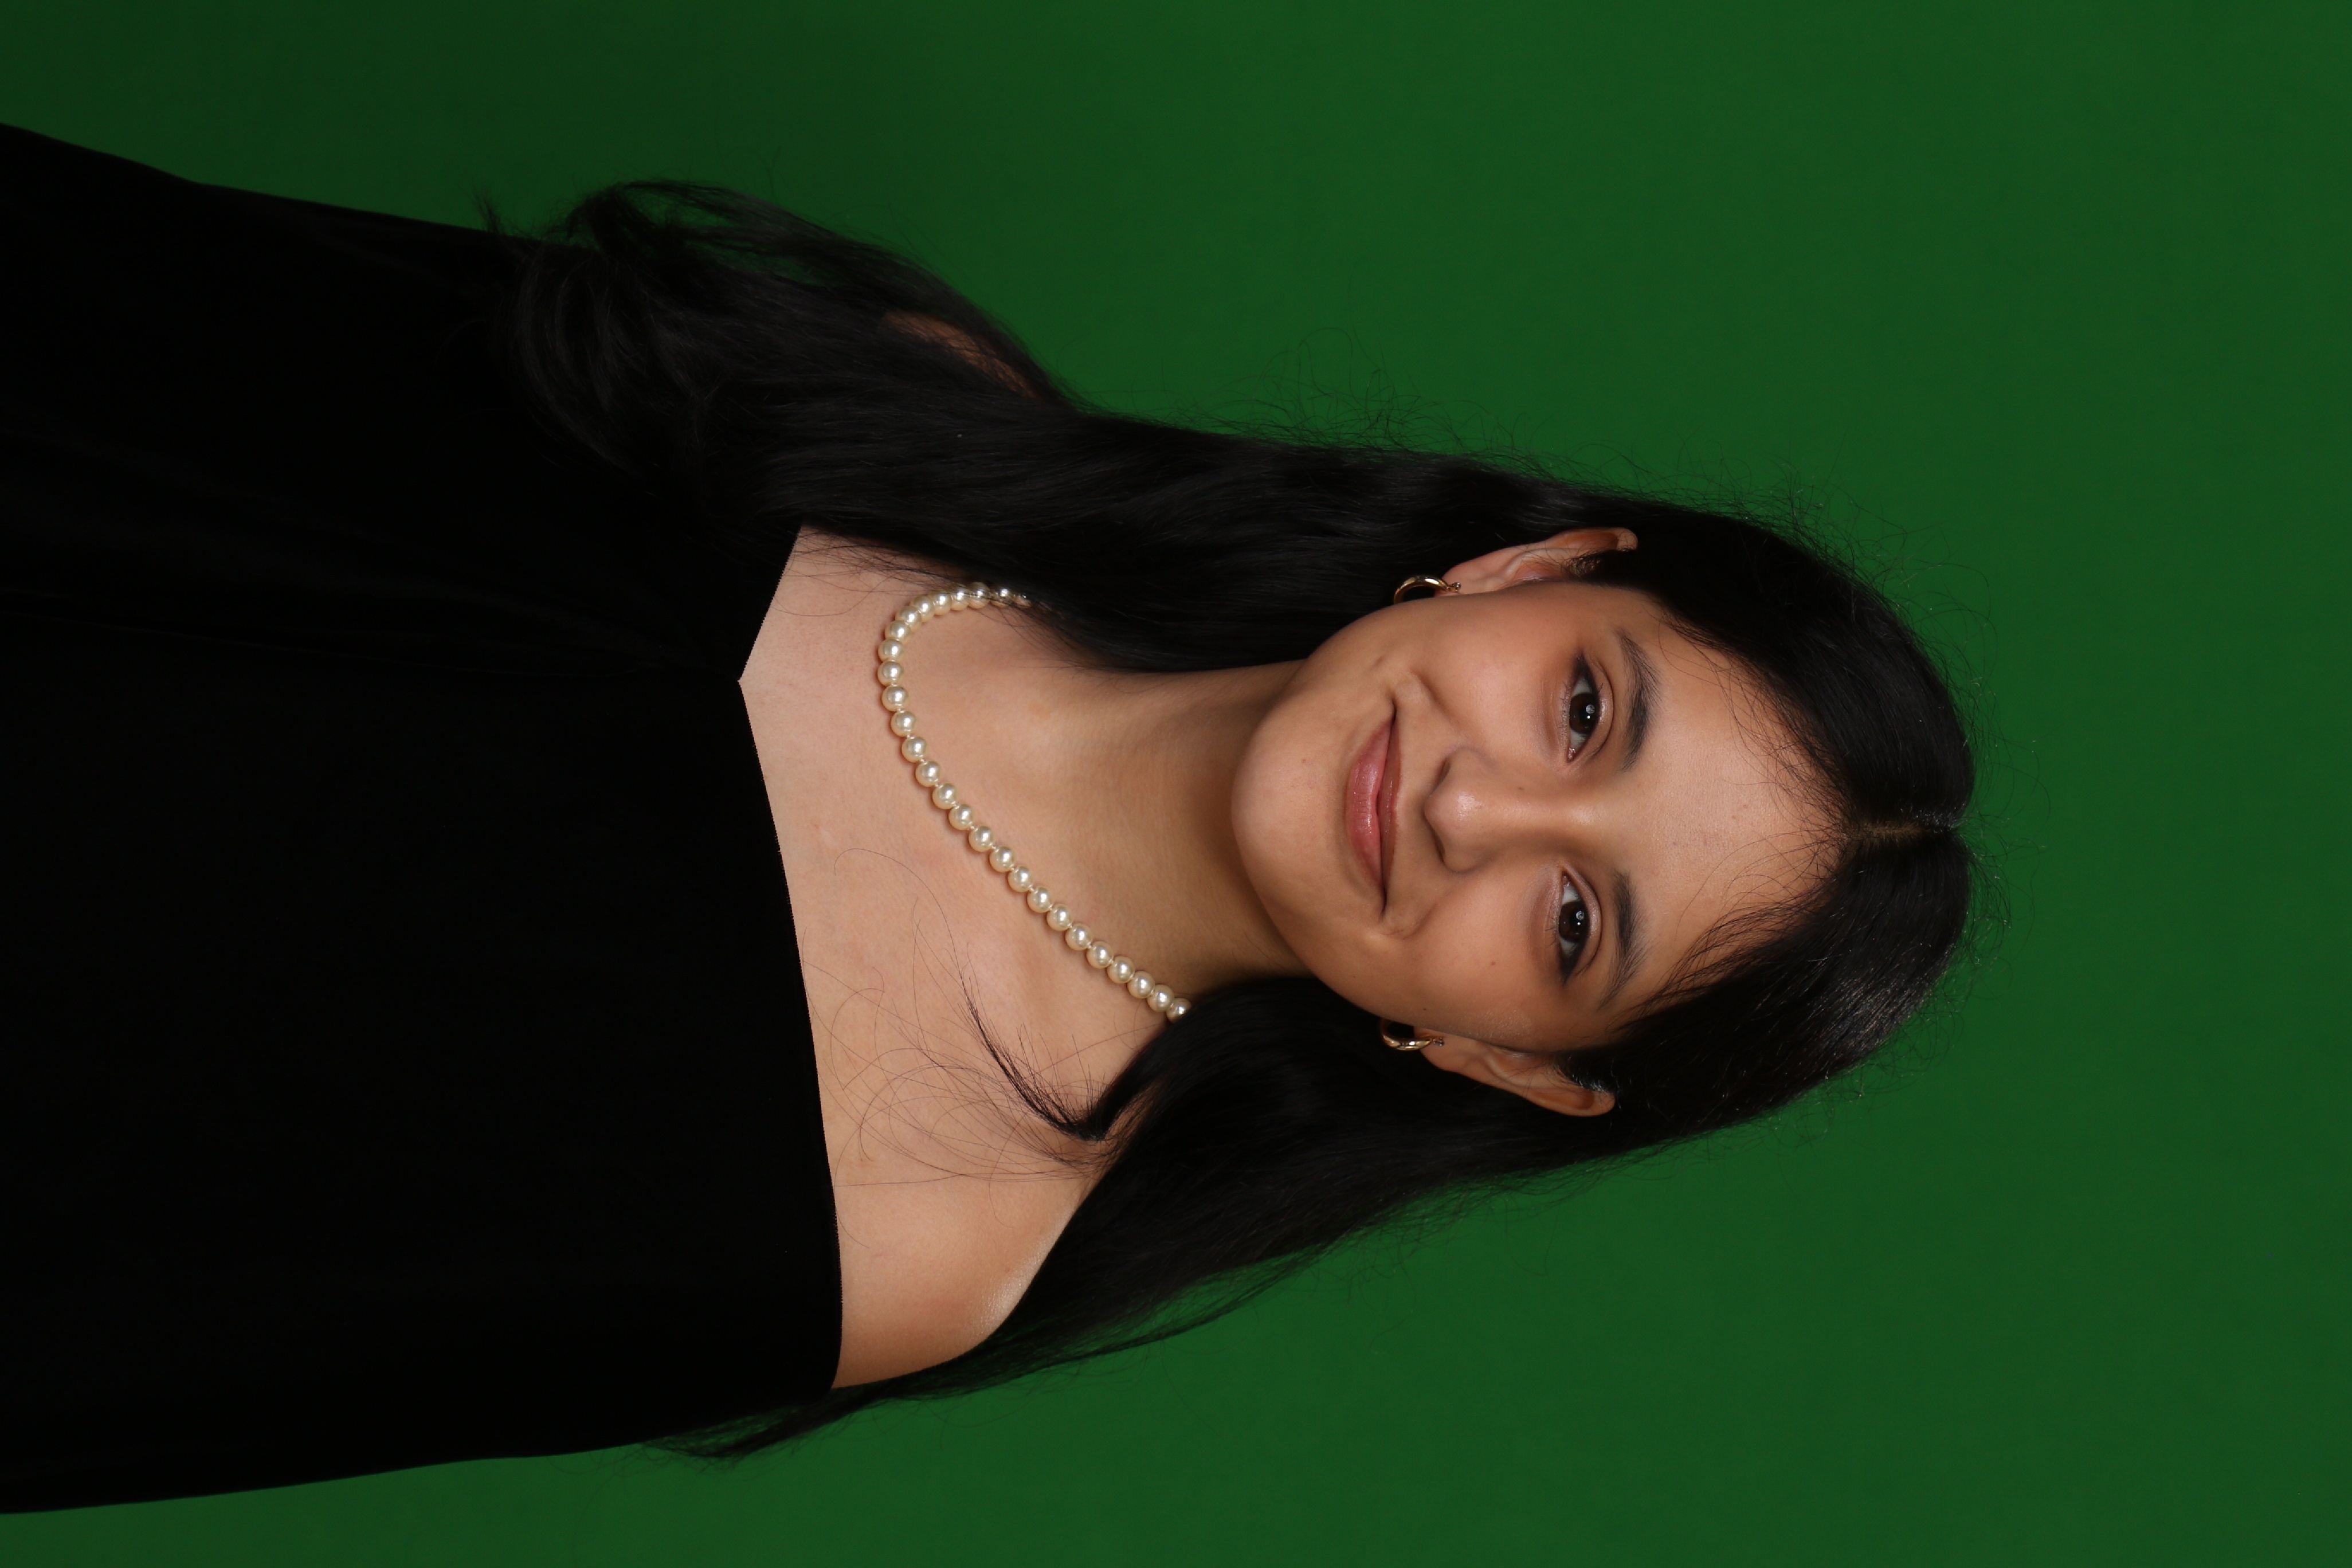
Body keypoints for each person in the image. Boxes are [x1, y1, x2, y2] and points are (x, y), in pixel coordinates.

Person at [0, 124, 1975, 1511]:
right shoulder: (914, 418)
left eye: (1573, 924)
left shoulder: (934, 1251)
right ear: (1531, 568)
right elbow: (135, 308)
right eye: (1585, 707)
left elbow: (131, 1346)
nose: (1477, 806)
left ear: (1509, 1063)